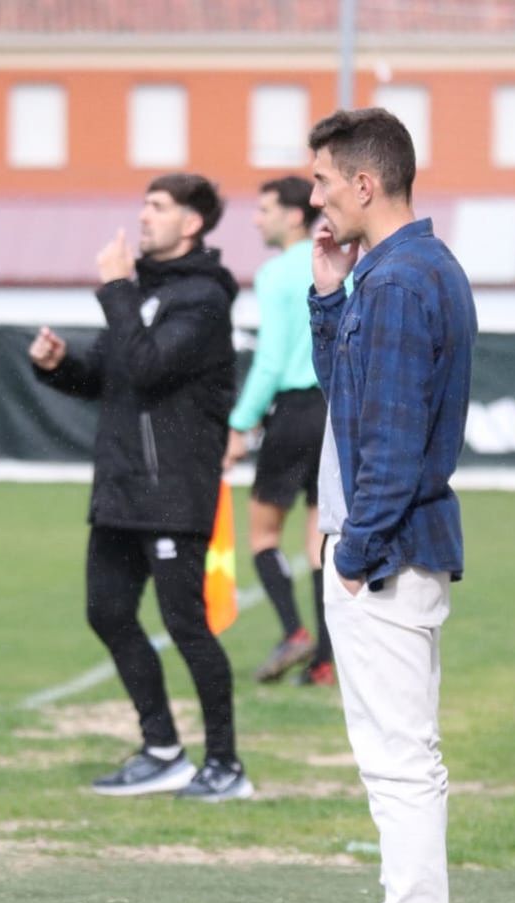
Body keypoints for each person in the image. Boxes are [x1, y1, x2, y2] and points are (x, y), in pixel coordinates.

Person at [295, 107, 475, 903]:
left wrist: (353, 551)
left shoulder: (404, 281)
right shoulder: (390, 273)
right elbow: (349, 397)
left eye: (323, 180)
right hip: (385, 550)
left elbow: (396, 445)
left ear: (366, 184)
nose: (314, 196)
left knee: (400, 758)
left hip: (385, 554)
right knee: (398, 754)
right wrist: (329, 293)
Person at [27, 173, 253, 800]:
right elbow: (108, 373)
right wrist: (59, 365)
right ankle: (163, 749)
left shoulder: (205, 298)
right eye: (144, 205)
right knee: (107, 612)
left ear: (192, 224)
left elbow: (150, 368)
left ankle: (226, 765)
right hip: (123, 488)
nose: (143, 217)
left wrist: (118, 288)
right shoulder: (143, 293)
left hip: (174, 492)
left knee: (186, 626)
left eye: (157, 207)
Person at [222, 176, 335, 687]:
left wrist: (240, 424)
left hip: (291, 410)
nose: (255, 218)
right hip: (333, 411)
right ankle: (326, 662)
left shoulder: (275, 273)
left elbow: (269, 361)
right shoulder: (340, 261)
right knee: (320, 541)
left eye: (263, 208)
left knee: (265, 533)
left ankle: (294, 631)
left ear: (293, 215)